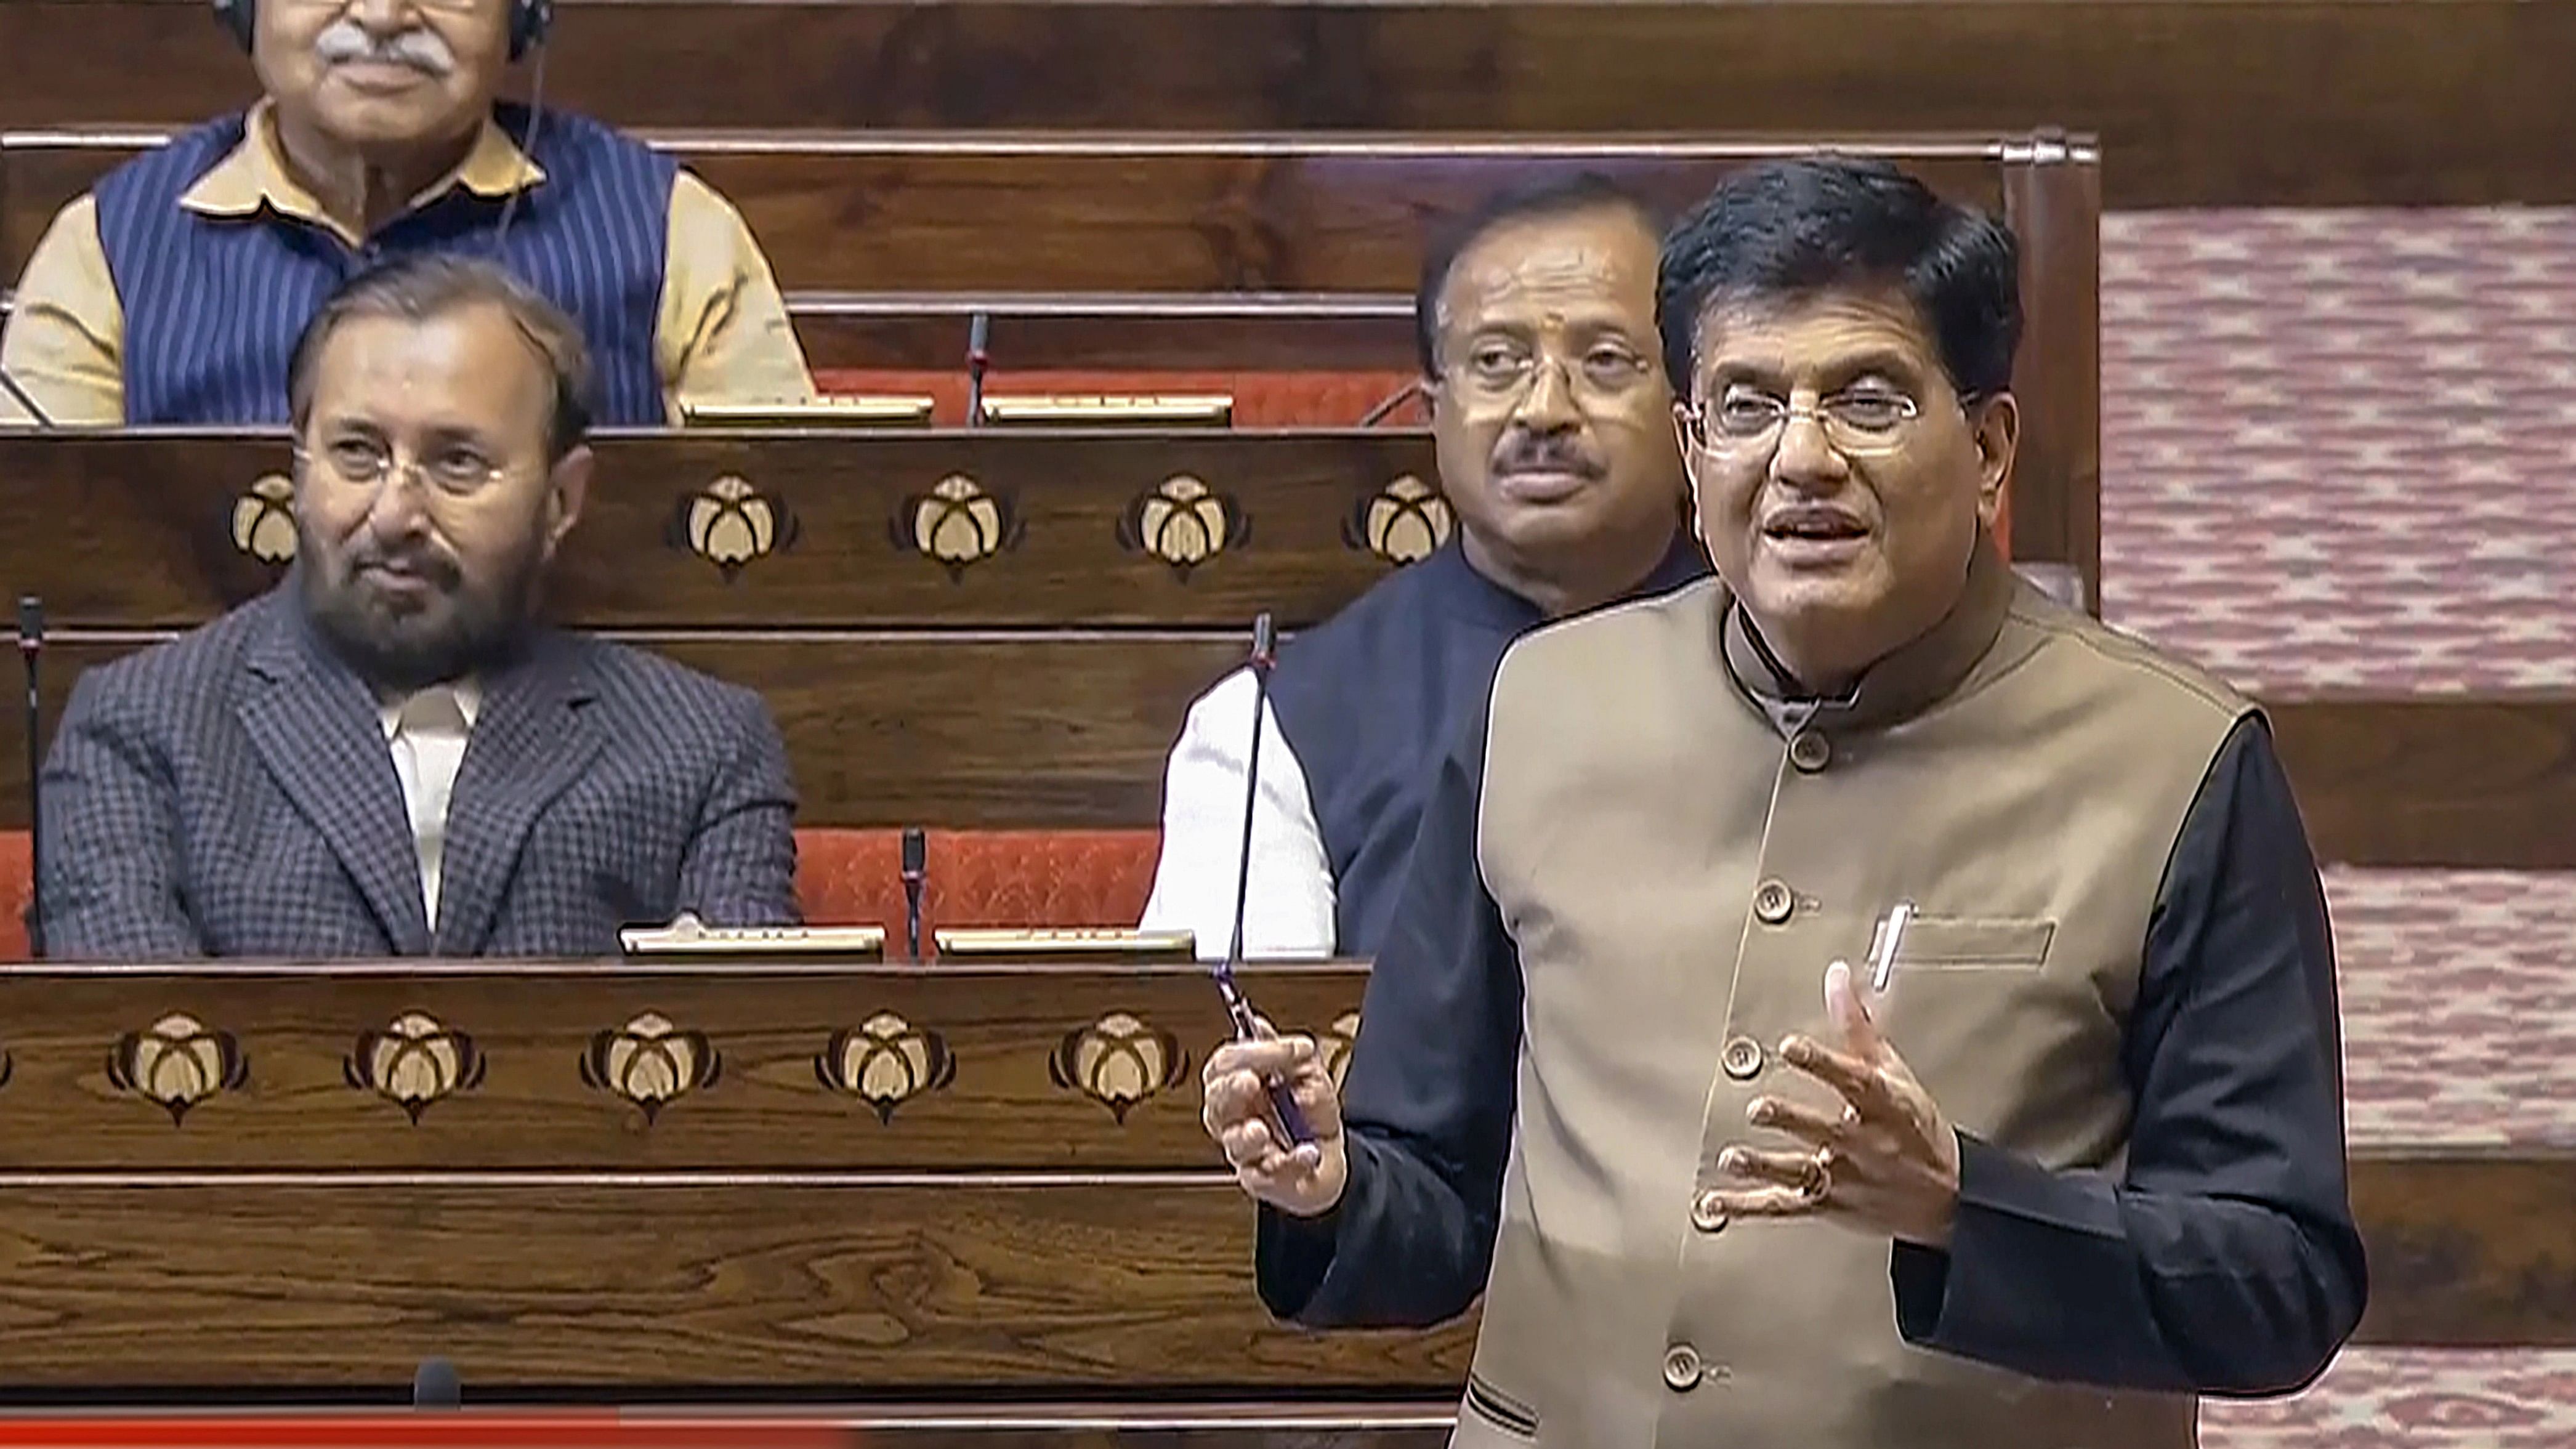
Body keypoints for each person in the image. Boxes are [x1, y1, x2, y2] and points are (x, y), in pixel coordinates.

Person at [1200, 156, 2366, 1447]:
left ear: (1987, 450)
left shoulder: (2177, 760)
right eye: (1746, 406)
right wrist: (1329, 1187)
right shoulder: (1541, 706)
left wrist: (1958, 1206)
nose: (1802, 458)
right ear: (1694, 454)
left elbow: (2280, 1283)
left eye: (1865, 400)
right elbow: (1437, 1190)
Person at [32, 254, 800, 959]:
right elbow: (130, 1067)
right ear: (297, 466)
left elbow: (739, 1079)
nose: (396, 512)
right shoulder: (140, 729)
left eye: (457, 462)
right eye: (357, 452)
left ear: (562, 500)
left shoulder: (702, 748)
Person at [1139, 175, 1706, 961]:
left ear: (1692, 403)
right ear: (1432, 408)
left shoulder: (1799, 668)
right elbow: (1248, 1040)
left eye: (1605, 361)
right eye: (1497, 362)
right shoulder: (1274, 726)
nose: (1544, 409)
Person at [0, 0, 810, 427]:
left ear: (522, 11)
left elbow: (779, 542)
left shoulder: (672, 231)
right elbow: (41, 565)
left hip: (595, 735)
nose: (383, 16)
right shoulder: (108, 249)